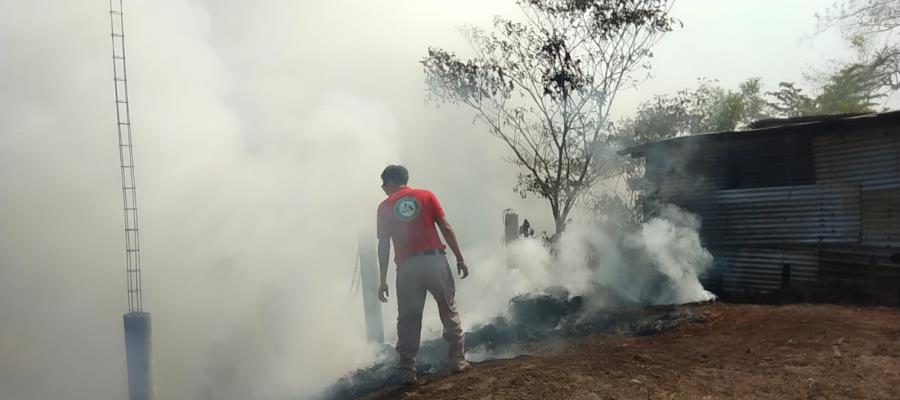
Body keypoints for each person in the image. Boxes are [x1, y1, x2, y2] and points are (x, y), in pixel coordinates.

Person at [375, 165, 470, 386]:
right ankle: (458, 360)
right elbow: (445, 227)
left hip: (407, 268)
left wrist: (382, 280)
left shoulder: (385, 207)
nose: (383, 189)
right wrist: (459, 257)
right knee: (448, 308)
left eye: (383, 185)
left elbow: (383, 245)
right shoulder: (426, 196)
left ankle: (407, 372)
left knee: (408, 319)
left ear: (390, 181)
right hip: (435, 260)